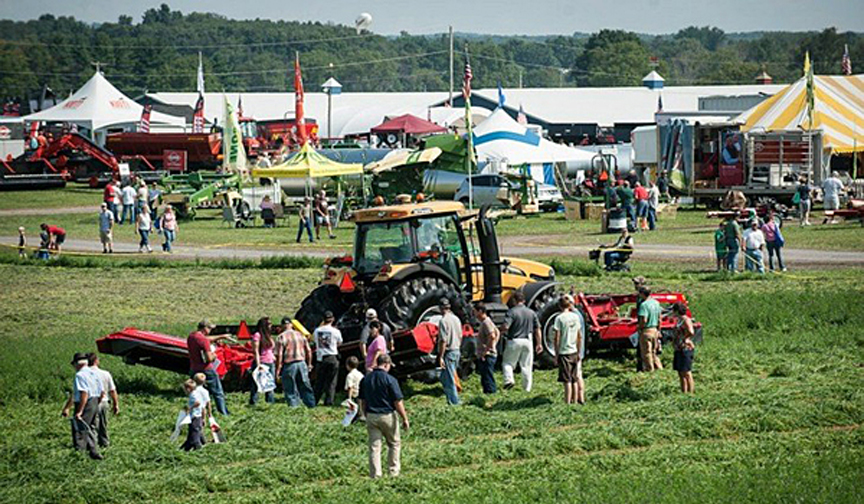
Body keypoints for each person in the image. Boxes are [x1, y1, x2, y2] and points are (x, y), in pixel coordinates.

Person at [358, 354, 409, 479]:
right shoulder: (390, 379)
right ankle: (393, 472)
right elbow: (397, 402)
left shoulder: (366, 379)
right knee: (394, 444)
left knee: (374, 447)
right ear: (386, 364)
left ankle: (375, 475)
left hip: (371, 415)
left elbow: (362, 400)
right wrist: (404, 418)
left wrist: (364, 413)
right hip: (387, 415)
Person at [60, 352, 104, 460]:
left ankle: (79, 455)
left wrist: (80, 411)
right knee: (91, 427)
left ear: (77, 364)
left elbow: (84, 393)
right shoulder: (94, 373)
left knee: (80, 429)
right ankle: (94, 451)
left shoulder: (80, 375)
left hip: (85, 402)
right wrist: (96, 403)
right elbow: (102, 392)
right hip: (94, 401)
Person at [187, 320, 231, 415]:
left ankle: (195, 410)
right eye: (210, 328)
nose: (210, 330)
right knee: (217, 391)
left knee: (194, 391)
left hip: (194, 368)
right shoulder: (204, 341)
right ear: (205, 329)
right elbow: (208, 359)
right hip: (206, 369)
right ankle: (223, 412)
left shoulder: (191, 336)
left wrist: (221, 336)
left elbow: (205, 339)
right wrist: (214, 355)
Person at [501, 291, 541, 392]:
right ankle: (527, 389)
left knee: (508, 363)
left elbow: (506, 326)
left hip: (514, 340)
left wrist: (500, 331)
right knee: (526, 365)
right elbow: (537, 329)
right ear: (523, 300)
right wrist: (539, 343)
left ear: (514, 300)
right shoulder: (531, 312)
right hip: (528, 340)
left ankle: (509, 380)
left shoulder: (512, 312)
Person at [275, 317, 315, 408]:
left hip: (289, 364)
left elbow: (279, 355)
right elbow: (308, 350)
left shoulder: (281, 337)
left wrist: (278, 370)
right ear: (291, 325)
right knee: (305, 384)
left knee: (290, 387)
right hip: (302, 363)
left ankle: (294, 407)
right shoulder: (300, 335)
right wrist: (309, 363)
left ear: (282, 326)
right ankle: (311, 404)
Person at [553, 296, 585, 405]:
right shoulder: (575, 317)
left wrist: (556, 353)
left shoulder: (559, 318)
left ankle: (567, 403)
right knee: (574, 378)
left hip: (564, 351)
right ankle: (575, 401)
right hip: (574, 351)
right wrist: (579, 350)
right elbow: (579, 335)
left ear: (559, 306)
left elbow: (557, 337)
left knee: (567, 380)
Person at [86, 353, 119, 448]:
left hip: (91, 402)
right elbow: (112, 390)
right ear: (96, 361)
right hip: (104, 402)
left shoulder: (85, 375)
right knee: (103, 424)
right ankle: (105, 443)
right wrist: (116, 404)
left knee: (92, 425)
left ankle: (93, 445)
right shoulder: (105, 374)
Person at [313, 311, 342, 406]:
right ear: (332, 319)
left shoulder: (317, 331)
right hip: (332, 357)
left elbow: (314, 341)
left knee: (319, 381)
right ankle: (329, 401)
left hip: (321, 358)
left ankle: (315, 400)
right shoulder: (336, 331)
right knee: (331, 381)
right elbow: (339, 343)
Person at [436, 298, 463, 405]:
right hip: (457, 350)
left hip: (449, 352)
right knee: (446, 376)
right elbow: (460, 335)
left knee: (449, 379)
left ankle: (454, 402)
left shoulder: (443, 321)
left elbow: (443, 340)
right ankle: (453, 397)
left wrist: (440, 356)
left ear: (440, 308)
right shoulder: (456, 319)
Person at [249, 317, 276, 405]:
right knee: (257, 383)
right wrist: (258, 364)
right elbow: (256, 351)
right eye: (269, 324)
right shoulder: (257, 335)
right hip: (262, 362)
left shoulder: (268, 335)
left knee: (270, 383)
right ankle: (254, 402)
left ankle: (270, 402)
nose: (271, 326)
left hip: (270, 362)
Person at [474, 304, 499, 395]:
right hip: (488, 354)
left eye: (475, 311)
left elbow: (492, 336)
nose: (474, 314)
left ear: (480, 311)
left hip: (487, 356)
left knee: (488, 377)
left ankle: (491, 395)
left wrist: (486, 351)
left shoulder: (486, 322)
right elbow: (497, 333)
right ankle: (488, 394)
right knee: (485, 377)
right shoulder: (487, 322)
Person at [637, 286, 663, 372]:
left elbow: (644, 319)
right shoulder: (656, 303)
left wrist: (640, 328)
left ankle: (649, 370)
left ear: (642, 294)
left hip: (646, 330)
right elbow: (660, 318)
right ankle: (659, 369)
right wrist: (659, 330)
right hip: (655, 330)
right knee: (654, 352)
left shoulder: (643, 305)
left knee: (646, 353)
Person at [671, 303, 695, 394]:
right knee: (680, 372)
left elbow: (691, 332)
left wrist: (685, 339)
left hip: (685, 348)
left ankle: (690, 393)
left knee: (687, 372)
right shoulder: (679, 320)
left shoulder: (686, 320)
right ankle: (683, 392)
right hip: (678, 348)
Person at [181, 379, 205, 451]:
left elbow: (197, 403)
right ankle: (187, 446)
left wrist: (190, 408)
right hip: (197, 415)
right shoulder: (196, 393)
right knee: (194, 431)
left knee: (194, 433)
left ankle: (198, 447)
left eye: (185, 389)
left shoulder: (193, 395)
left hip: (195, 416)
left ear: (188, 389)